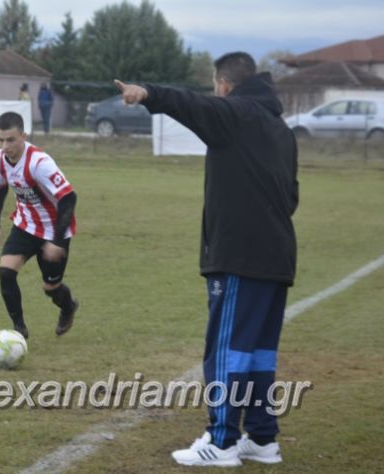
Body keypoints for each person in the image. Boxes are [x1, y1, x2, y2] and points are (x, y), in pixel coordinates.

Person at [116, 51, 298, 467]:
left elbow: (191, 105)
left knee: (227, 350)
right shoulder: (281, 129)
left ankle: (221, 440)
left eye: (215, 87)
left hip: (240, 257)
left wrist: (147, 93)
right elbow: (292, 197)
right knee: (257, 353)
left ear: (224, 85)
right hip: (278, 255)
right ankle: (263, 438)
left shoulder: (233, 113)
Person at [0, 112, 79, 339]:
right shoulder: (0, 160)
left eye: (10, 140)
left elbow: (69, 198)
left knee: (51, 289)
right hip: (25, 225)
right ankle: (19, 330)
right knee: (5, 272)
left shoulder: (40, 162)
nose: (5, 146)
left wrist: (57, 241)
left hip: (54, 230)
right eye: (0, 140)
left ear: (23, 136)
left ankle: (68, 307)